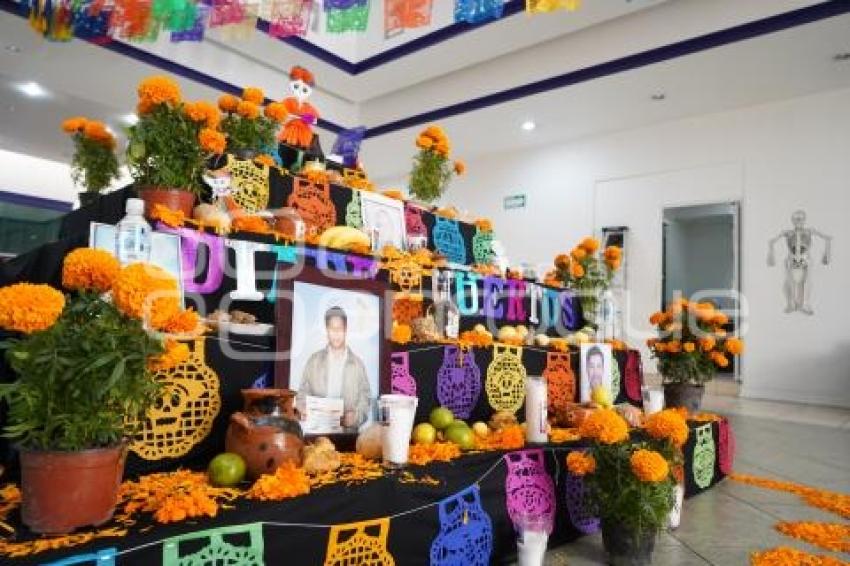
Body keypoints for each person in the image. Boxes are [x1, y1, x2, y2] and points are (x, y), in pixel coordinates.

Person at [299, 306, 371, 428]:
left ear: (346, 329)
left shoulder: (358, 365)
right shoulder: (313, 361)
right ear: (327, 330)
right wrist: (302, 410)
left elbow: (365, 400)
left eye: (340, 328)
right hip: (317, 435)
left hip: (348, 437)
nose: (336, 333)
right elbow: (302, 394)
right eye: (332, 328)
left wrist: (355, 417)